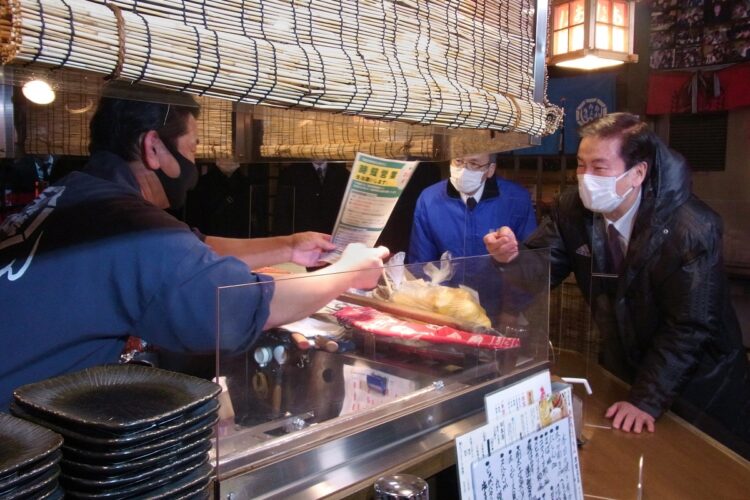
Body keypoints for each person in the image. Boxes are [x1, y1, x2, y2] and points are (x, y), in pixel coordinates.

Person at [0, 83, 388, 411]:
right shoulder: (129, 223)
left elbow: (194, 249)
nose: (195, 160)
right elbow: (241, 307)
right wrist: (350, 269)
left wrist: (288, 247)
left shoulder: (79, 193)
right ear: (153, 147)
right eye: (192, 145)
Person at [484, 113, 750, 456]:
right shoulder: (572, 209)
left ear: (637, 173)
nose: (586, 178)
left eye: (599, 167)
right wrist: (510, 259)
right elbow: (542, 270)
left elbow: (690, 325)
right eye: (581, 165)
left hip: (701, 384)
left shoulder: (692, 228)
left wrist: (646, 399)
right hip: (625, 366)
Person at [408, 152, 537, 264]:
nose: (464, 170)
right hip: (448, 290)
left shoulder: (516, 198)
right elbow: (421, 262)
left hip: (499, 289)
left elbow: (531, 260)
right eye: (458, 161)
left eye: (474, 164)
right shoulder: (429, 199)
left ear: (490, 169)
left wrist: (508, 255)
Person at [273, 160, 349, 236]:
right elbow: (282, 210)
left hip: (332, 235)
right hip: (301, 235)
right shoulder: (291, 173)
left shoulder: (343, 174)